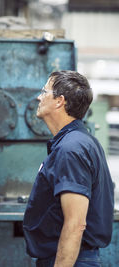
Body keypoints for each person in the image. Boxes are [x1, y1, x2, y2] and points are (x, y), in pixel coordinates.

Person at [23, 70, 114, 267]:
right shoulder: (81, 142)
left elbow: (75, 224)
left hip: (72, 260)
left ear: (59, 101)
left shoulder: (71, 148)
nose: (39, 97)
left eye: (44, 91)